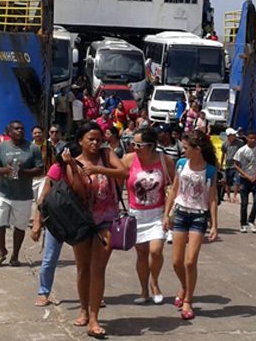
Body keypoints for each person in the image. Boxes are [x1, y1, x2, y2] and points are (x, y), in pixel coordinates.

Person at [65, 121, 126, 338]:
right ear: (80, 141)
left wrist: (98, 169)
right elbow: (79, 193)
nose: (94, 143)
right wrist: (75, 167)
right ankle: (83, 309)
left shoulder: (106, 154)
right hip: (82, 221)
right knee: (83, 268)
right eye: (90, 139)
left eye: (98, 139)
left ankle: (94, 319)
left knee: (98, 269)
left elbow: (124, 174)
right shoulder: (75, 162)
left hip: (106, 219)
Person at [166, 130, 219, 320]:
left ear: (197, 149)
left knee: (190, 261)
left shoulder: (210, 170)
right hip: (180, 213)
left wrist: (214, 224)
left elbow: (212, 198)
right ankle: (184, 285)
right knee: (176, 261)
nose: (183, 151)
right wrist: (167, 214)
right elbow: (174, 190)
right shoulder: (181, 165)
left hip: (199, 216)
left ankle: (188, 299)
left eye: (186, 148)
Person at [120, 127, 175, 305]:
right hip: (136, 214)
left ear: (151, 145)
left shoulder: (165, 160)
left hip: (157, 213)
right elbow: (117, 180)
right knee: (142, 254)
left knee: (156, 251)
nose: (134, 147)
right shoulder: (128, 160)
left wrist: (168, 213)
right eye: (132, 144)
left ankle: (155, 283)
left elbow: (174, 187)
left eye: (139, 144)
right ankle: (143, 290)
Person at [0, 120, 44, 267]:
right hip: (3, 193)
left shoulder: (32, 148)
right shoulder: (0, 147)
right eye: (16, 129)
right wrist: (4, 170)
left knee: (19, 227)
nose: (20, 131)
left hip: (23, 195)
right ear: (9, 132)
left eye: (22, 129)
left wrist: (24, 172)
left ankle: (15, 255)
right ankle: (2, 250)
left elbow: (40, 169)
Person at [31, 143, 79, 307]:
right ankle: (44, 292)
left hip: (78, 219)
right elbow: (43, 197)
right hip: (57, 219)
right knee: (50, 258)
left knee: (85, 261)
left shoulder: (85, 169)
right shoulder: (57, 169)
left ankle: (90, 293)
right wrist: (37, 223)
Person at [234, 130, 256, 233]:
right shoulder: (242, 150)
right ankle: (243, 224)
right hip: (244, 179)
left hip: (255, 179)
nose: (253, 140)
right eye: (251, 138)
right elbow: (235, 164)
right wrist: (246, 175)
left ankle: (251, 220)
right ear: (247, 138)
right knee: (244, 203)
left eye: (254, 138)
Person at [220, 128, 244, 203]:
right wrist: (221, 165)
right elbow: (223, 154)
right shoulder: (225, 144)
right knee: (228, 182)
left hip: (237, 165)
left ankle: (235, 196)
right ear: (229, 136)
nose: (235, 136)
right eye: (233, 135)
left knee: (238, 181)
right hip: (228, 165)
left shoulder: (240, 143)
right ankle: (228, 196)